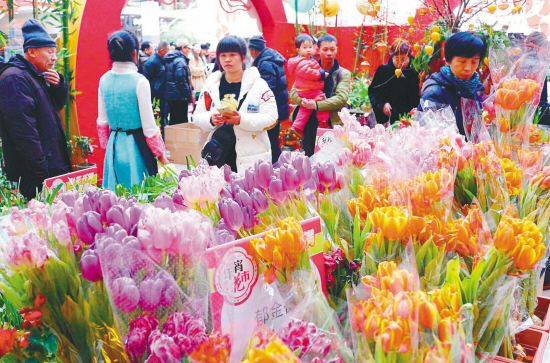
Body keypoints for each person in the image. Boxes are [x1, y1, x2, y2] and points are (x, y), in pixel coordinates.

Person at [0, 19, 72, 199]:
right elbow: (24, 132)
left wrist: (59, 86)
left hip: (50, 167)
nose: (54, 57)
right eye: (49, 52)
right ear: (31, 52)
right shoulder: (15, 79)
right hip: (34, 175)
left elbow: (54, 109)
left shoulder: (37, 75)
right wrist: (41, 172)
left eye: (54, 52)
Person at [194, 35, 278, 172]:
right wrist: (211, 118)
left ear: (243, 58)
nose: (227, 59)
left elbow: (271, 118)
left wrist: (241, 119)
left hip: (251, 155)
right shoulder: (211, 86)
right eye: (223, 55)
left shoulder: (258, 85)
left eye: (233, 55)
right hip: (218, 154)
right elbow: (197, 116)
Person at [97, 30, 168, 191]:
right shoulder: (139, 81)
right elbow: (149, 128)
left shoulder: (104, 80)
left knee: (115, 198)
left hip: (113, 147)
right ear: (134, 53)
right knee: (137, 197)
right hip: (136, 148)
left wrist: (107, 148)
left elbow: (102, 123)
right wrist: (161, 156)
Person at [289, 34, 351, 156]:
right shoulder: (308, 67)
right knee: (309, 157)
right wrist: (305, 103)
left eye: (332, 49)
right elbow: (293, 92)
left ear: (336, 49)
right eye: (325, 49)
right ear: (318, 49)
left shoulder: (343, 73)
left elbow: (341, 98)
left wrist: (316, 105)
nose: (329, 53)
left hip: (330, 123)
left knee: (327, 159)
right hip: (308, 123)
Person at [419, 32, 487, 136]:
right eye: (462, 61)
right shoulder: (435, 93)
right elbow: (428, 137)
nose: (468, 68)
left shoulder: (475, 88)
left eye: (474, 62)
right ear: (448, 60)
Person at [249, 35, 288, 164]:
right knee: (273, 139)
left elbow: (267, 88)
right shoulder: (271, 58)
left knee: (270, 141)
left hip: (271, 109)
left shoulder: (265, 63)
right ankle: (277, 165)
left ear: (254, 50)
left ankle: (276, 167)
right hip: (277, 106)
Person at [287, 34, 330, 140]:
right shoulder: (302, 62)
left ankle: (297, 126)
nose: (308, 50)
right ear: (298, 50)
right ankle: (323, 122)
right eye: (304, 48)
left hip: (305, 90)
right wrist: (321, 74)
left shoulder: (307, 60)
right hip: (309, 90)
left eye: (310, 47)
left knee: (305, 108)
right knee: (321, 99)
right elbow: (308, 73)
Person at [369, 38, 420, 125]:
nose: (400, 63)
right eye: (397, 59)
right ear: (392, 57)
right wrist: (382, 104)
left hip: (412, 119)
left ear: (409, 56)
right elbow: (374, 92)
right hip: (388, 119)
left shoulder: (416, 70)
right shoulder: (383, 71)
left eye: (404, 59)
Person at [516, 31, 550, 126]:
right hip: (531, 118)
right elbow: (540, 102)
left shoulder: (518, 63)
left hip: (515, 115)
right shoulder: (538, 66)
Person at [143, 41, 170, 133]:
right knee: (157, 119)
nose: (169, 52)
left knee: (164, 117)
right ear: (162, 51)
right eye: (167, 50)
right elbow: (146, 79)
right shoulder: (151, 62)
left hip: (163, 94)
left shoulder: (163, 60)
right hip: (155, 96)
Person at [164, 39, 192, 125]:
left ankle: (173, 138)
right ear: (183, 48)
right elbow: (181, 79)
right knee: (182, 122)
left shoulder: (171, 58)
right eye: (188, 48)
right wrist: (188, 93)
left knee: (173, 121)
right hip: (180, 97)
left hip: (171, 95)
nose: (189, 50)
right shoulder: (180, 60)